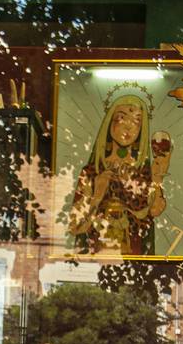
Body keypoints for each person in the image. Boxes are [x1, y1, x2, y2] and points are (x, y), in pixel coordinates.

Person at [65, 92, 172, 257]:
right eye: (122, 118)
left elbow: (156, 209)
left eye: (136, 121)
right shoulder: (93, 172)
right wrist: (97, 195)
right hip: (96, 257)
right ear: (110, 123)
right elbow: (74, 226)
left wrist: (158, 175)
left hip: (135, 258)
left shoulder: (144, 174)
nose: (128, 127)